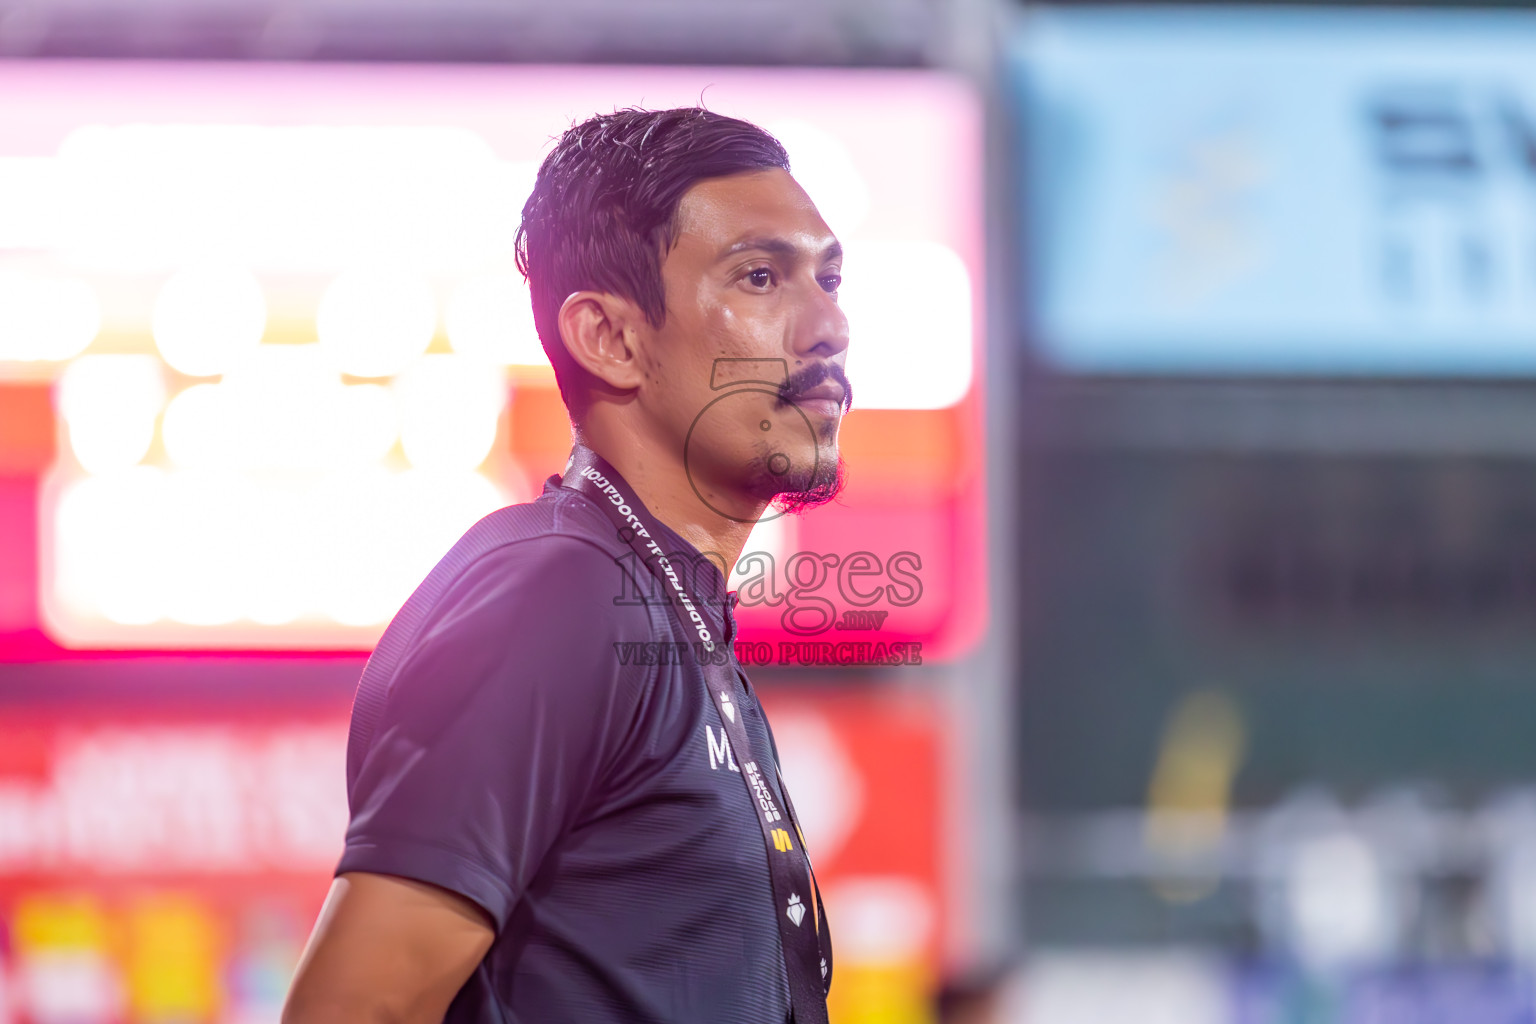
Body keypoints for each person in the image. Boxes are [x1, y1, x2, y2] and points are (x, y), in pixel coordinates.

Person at [282, 107, 852, 1024]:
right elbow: (357, 1009)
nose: (828, 326)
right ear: (610, 338)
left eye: (830, 279)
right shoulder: (559, 592)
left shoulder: (669, 615)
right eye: (760, 276)